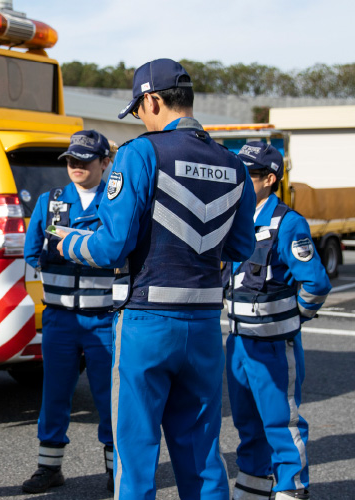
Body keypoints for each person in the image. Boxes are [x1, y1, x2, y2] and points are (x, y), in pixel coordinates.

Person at [55, 59, 257, 499]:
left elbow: (111, 246)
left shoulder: (140, 153)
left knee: (137, 452)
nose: (142, 117)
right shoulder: (233, 164)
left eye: (140, 108)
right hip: (204, 324)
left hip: (147, 321)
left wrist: (68, 242)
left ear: (151, 99)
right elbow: (241, 247)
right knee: (202, 453)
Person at [225, 142, 331, 500]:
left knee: (280, 423)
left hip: (272, 345)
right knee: (247, 423)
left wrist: (293, 318)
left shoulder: (287, 223)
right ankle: (253, 488)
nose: (238, 180)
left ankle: (291, 489)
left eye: (247, 174)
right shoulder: (232, 219)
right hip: (238, 343)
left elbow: (315, 283)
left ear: (269, 179)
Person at [22, 130, 116, 494]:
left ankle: (114, 469)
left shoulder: (116, 201)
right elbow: (33, 252)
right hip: (60, 318)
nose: (75, 166)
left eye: (85, 159)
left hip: (103, 320)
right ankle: (49, 469)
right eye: (71, 160)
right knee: (55, 393)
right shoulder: (50, 201)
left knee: (109, 396)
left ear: (105, 162)